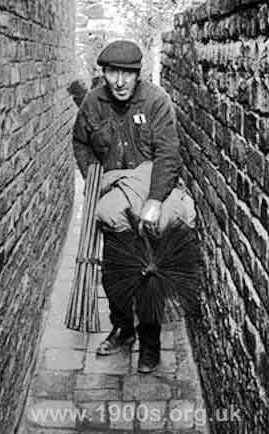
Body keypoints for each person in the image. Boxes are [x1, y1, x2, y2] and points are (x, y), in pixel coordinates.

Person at [73, 40, 182, 373]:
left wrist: (154, 201)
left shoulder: (156, 102)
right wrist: (96, 179)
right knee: (115, 274)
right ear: (103, 73)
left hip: (149, 199)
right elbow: (80, 141)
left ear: (138, 74)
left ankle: (150, 346)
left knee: (149, 277)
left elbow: (168, 155)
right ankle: (122, 330)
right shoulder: (93, 103)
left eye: (126, 73)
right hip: (113, 203)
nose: (119, 81)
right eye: (111, 72)